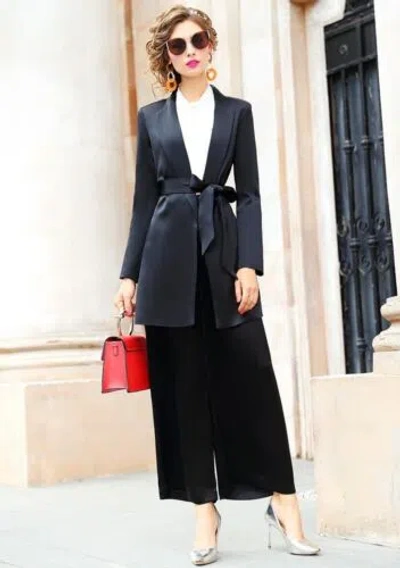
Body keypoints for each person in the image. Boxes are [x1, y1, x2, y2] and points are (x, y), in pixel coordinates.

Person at [114, 4, 320, 565]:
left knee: (252, 379)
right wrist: (129, 274)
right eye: (177, 45)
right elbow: (143, 204)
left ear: (211, 45)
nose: (189, 51)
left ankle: (284, 502)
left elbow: (249, 195)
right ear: (168, 57)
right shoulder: (153, 119)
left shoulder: (237, 113)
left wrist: (249, 264)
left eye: (197, 40)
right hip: (166, 264)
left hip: (225, 258)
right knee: (182, 389)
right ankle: (204, 512)